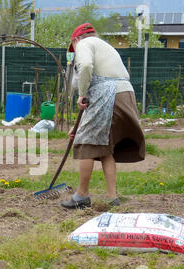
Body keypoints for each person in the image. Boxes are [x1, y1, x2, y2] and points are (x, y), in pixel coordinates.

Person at [61, 23, 146, 210]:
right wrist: (78, 127)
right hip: (124, 94)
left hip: (108, 95)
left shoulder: (84, 43)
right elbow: (96, 112)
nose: (75, 51)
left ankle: (81, 195)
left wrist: (81, 93)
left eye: (73, 48)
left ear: (75, 40)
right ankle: (111, 197)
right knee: (104, 147)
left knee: (86, 143)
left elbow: (85, 67)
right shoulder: (105, 46)